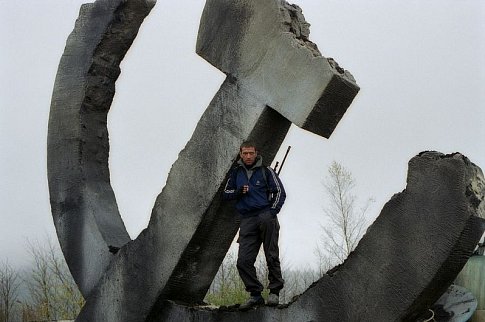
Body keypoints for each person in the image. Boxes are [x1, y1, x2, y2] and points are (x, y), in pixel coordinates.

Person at [223, 141, 286, 309]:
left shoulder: (267, 171)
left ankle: (274, 293)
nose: (248, 156)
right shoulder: (236, 173)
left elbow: (280, 192)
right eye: (245, 153)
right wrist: (238, 191)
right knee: (243, 261)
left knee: (271, 255)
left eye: (251, 153)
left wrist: (272, 212)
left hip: (266, 216)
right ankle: (255, 294)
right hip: (247, 220)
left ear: (256, 153)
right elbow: (226, 193)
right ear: (240, 154)